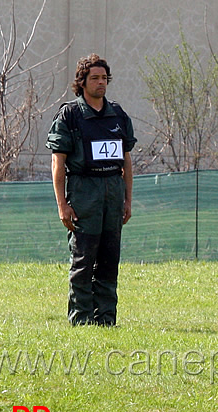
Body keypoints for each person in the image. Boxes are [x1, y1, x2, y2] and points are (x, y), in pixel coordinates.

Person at [46, 54, 136, 326]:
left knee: (110, 258)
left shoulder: (117, 114)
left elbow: (127, 161)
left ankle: (106, 318)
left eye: (104, 78)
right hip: (84, 191)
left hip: (113, 190)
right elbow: (57, 162)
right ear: (82, 82)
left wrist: (128, 199)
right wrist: (62, 205)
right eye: (95, 78)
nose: (101, 83)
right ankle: (82, 319)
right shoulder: (70, 115)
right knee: (84, 259)